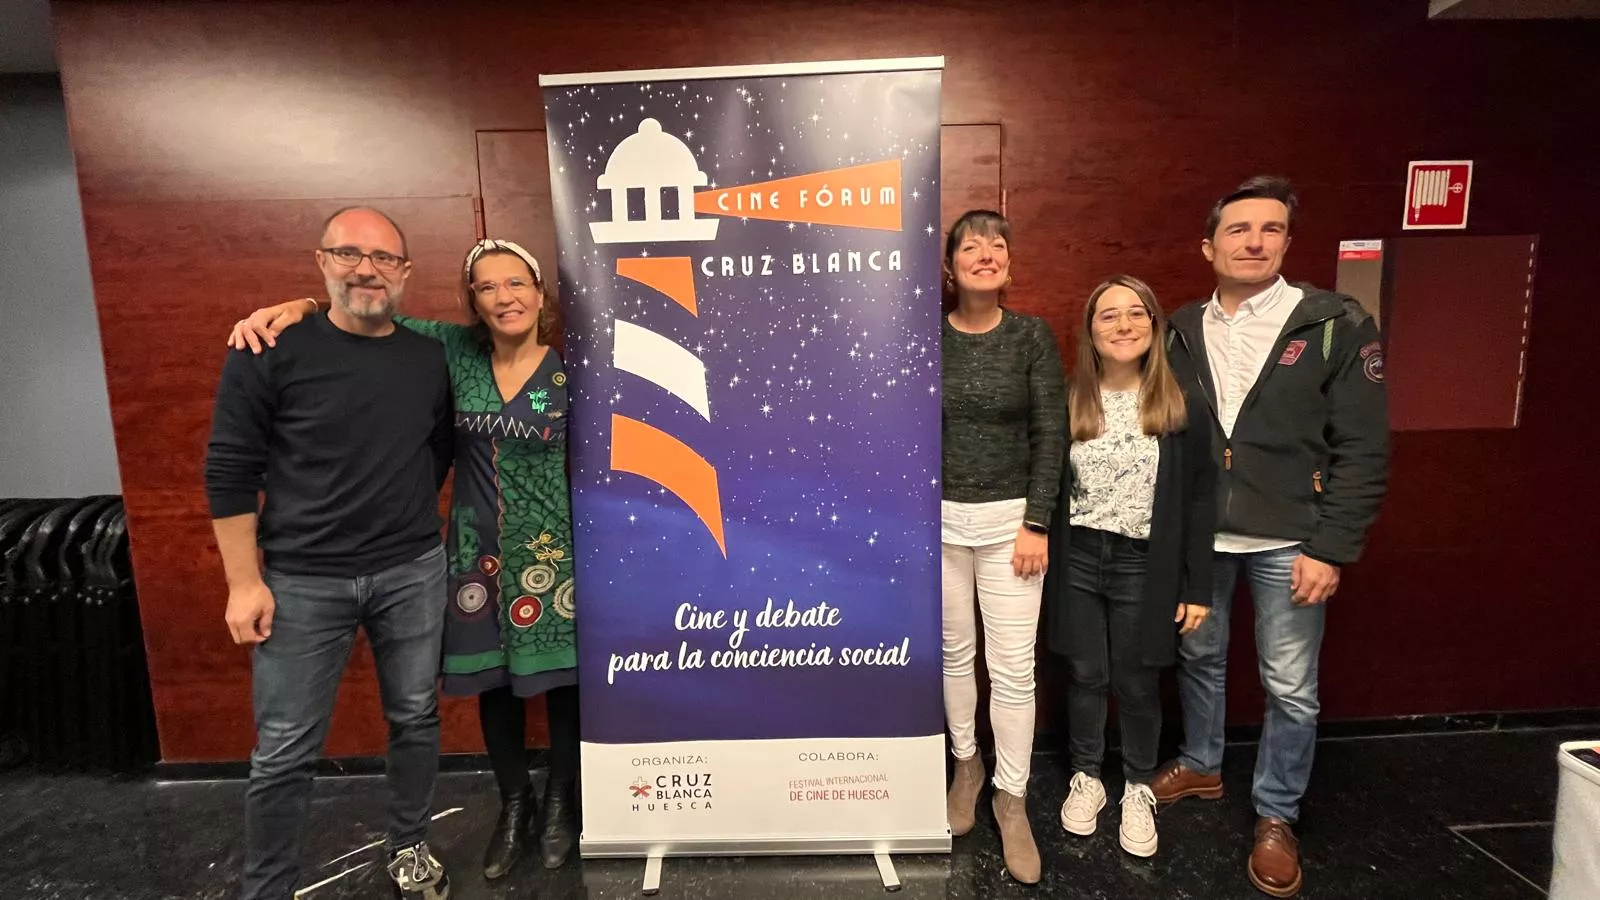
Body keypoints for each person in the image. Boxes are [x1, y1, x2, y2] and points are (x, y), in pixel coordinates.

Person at [229, 237, 580, 881]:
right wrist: (301, 304)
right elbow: (365, 309)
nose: (504, 297)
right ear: (472, 300)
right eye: (487, 287)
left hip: (556, 554)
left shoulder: (572, 368)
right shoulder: (450, 351)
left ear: (539, 292)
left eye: (516, 284)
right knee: (493, 682)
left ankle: (562, 805)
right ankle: (515, 806)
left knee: (561, 684)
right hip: (475, 553)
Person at [204, 206, 454, 900]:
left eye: (384, 259)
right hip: (302, 580)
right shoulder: (268, 349)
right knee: (284, 748)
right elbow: (229, 468)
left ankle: (408, 847)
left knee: (414, 716)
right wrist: (243, 583)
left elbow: (434, 454)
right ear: (321, 261)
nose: (367, 270)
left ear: (405, 273)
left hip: (411, 571)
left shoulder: (428, 357)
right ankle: (269, 886)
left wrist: (398, 517)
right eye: (349, 254)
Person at [1152, 176, 1389, 898]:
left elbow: (1366, 446)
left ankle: (1277, 812)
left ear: (1287, 240)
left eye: (1270, 229)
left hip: (1291, 538)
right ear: (1209, 246)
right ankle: (1201, 763)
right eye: (1238, 229)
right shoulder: (1181, 328)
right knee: (1198, 657)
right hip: (1200, 537)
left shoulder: (1332, 324)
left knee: (1290, 684)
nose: (1253, 241)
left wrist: (1331, 547)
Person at [1043, 275, 1215, 858]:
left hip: (1145, 562)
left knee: (1138, 680)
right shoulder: (1069, 399)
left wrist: (1197, 586)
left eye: (1135, 314)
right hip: (1080, 557)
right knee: (1086, 673)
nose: (1123, 326)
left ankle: (1137, 785)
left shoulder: (1178, 403)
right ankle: (1087, 776)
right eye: (1108, 316)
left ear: (1154, 325)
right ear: (1090, 333)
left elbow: (1198, 499)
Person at [939, 209, 1066, 884]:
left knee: (1013, 669)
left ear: (1009, 263)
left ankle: (1010, 799)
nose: (986, 253)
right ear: (951, 265)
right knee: (956, 655)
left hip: (1013, 529)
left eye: (997, 243)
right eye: (971, 245)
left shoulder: (1031, 337)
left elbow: (1052, 434)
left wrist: (1037, 522)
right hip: (940, 526)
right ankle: (968, 766)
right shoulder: (931, 340)